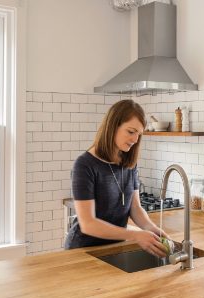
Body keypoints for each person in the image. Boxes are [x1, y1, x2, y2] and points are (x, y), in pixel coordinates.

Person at [64, 99, 169, 257]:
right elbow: (88, 224)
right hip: (83, 251)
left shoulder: (129, 163)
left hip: (114, 248)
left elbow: (135, 208)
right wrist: (135, 235)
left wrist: (152, 229)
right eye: (131, 132)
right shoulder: (85, 165)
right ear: (113, 126)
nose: (135, 140)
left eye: (139, 135)